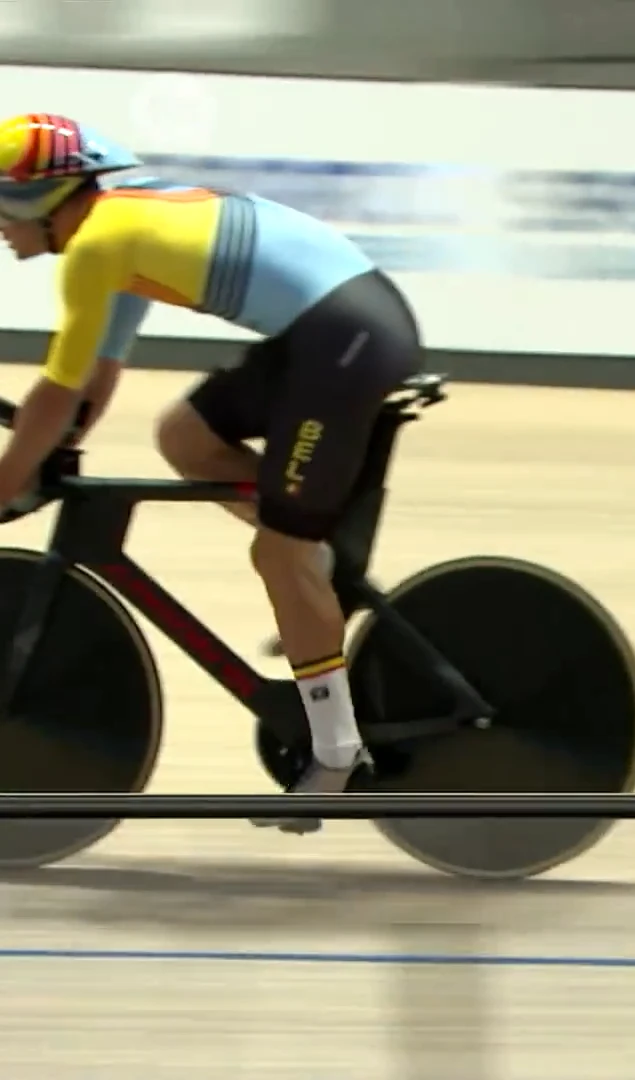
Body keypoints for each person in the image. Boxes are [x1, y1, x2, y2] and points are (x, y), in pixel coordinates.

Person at [0, 113, 423, 833]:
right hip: (332, 330)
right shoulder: (117, 226)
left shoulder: (99, 243)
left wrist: (10, 480)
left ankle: (336, 752)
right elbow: (96, 374)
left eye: (3, 207)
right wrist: (57, 449)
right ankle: (318, 560)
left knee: (276, 554)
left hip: (344, 342)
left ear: (43, 197)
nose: (1, 228)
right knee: (185, 436)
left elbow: (57, 389)